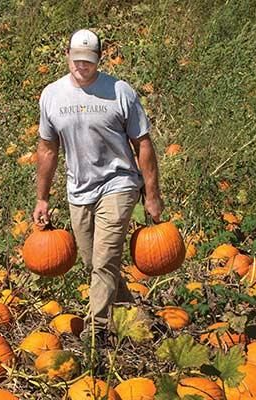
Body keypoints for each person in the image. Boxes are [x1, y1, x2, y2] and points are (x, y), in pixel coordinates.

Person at [32, 28, 164, 341]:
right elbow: (47, 149)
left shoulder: (119, 91)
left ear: (99, 59)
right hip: (79, 189)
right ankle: (138, 322)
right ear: (66, 55)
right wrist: (42, 198)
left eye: (88, 61)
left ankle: (96, 331)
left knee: (104, 261)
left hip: (118, 183)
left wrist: (152, 194)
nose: (82, 66)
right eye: (76, 59)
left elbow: (142, 144)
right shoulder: (52, 95)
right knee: (95, 263)